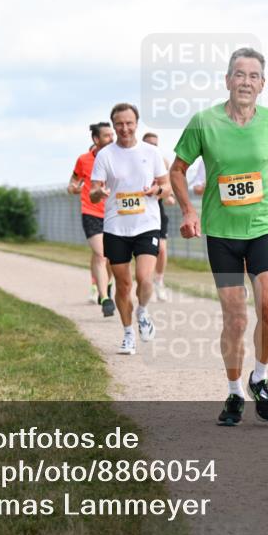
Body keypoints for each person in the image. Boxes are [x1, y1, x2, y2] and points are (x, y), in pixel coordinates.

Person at [169, 47, 268, 425]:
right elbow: (177, 169)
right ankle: (233, 394)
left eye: (253, 76)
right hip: (222, 234)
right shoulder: (203, 122)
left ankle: (260, 378)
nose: (245, 82)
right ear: (227, 80)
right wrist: (188, 210)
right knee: (236, 319)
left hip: (263, 229)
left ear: (262, 84)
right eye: (239, 75)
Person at [91, 103, 169, 354]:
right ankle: (127, 334)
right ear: (113, 125)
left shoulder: (151, 152)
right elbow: (94, 192)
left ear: (137, 123)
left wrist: (156, 190)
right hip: (116, 226)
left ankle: (143, 311)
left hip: (147, 224)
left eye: (129, 123)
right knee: (123, 285)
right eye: (119, 124)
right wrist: (97, 192)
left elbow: (166, 187)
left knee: (144, 278)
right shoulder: (105, 155)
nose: (124, 128)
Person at [70, 122, 117, 316]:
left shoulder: (119, 157)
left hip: (114, 213)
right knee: (101, 255)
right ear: (96, 140)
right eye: (106, 136)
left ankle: (107, 281)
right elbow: (73, 181)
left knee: (113, 258)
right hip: (91, 212)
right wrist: (73, 187)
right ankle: (105, 298)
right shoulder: (83, 160)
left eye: (112, 135)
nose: (111, 138)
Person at [143, 131, 176, 301]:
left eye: (155, 144)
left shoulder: (163, 162)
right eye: (149, 144)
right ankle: (145, 282)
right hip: (139, 212)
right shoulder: (134, 160)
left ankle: (159, 281)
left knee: (161, 249)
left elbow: (168, 186)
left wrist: (168, 196)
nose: (152, 147)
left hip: (157, 211)